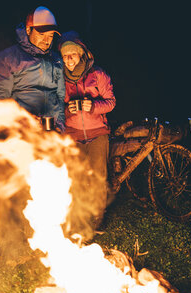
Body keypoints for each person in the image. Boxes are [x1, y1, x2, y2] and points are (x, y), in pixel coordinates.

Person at [58, 31, 116, 228]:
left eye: (72, 54)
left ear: (81, 53)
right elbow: (55, 106)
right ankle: (79, 219)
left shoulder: (97, 74)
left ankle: (98, 218)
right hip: (72, 135)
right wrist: (67, 109)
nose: (68, 60)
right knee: (76, 179)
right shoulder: (59, 79)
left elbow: (111, 102)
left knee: (99, 178)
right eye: (65, 56)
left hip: (98, 133)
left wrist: (92, 106)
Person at [0, 6, 65, 132]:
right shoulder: (8, 58)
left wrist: (60, 125)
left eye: (50, 35)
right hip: (22, 132)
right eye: (41, 34)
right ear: (28, 30)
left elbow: (60, 96)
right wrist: (23, 120)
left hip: (51, 133)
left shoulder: (56, 59)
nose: (46, 40)